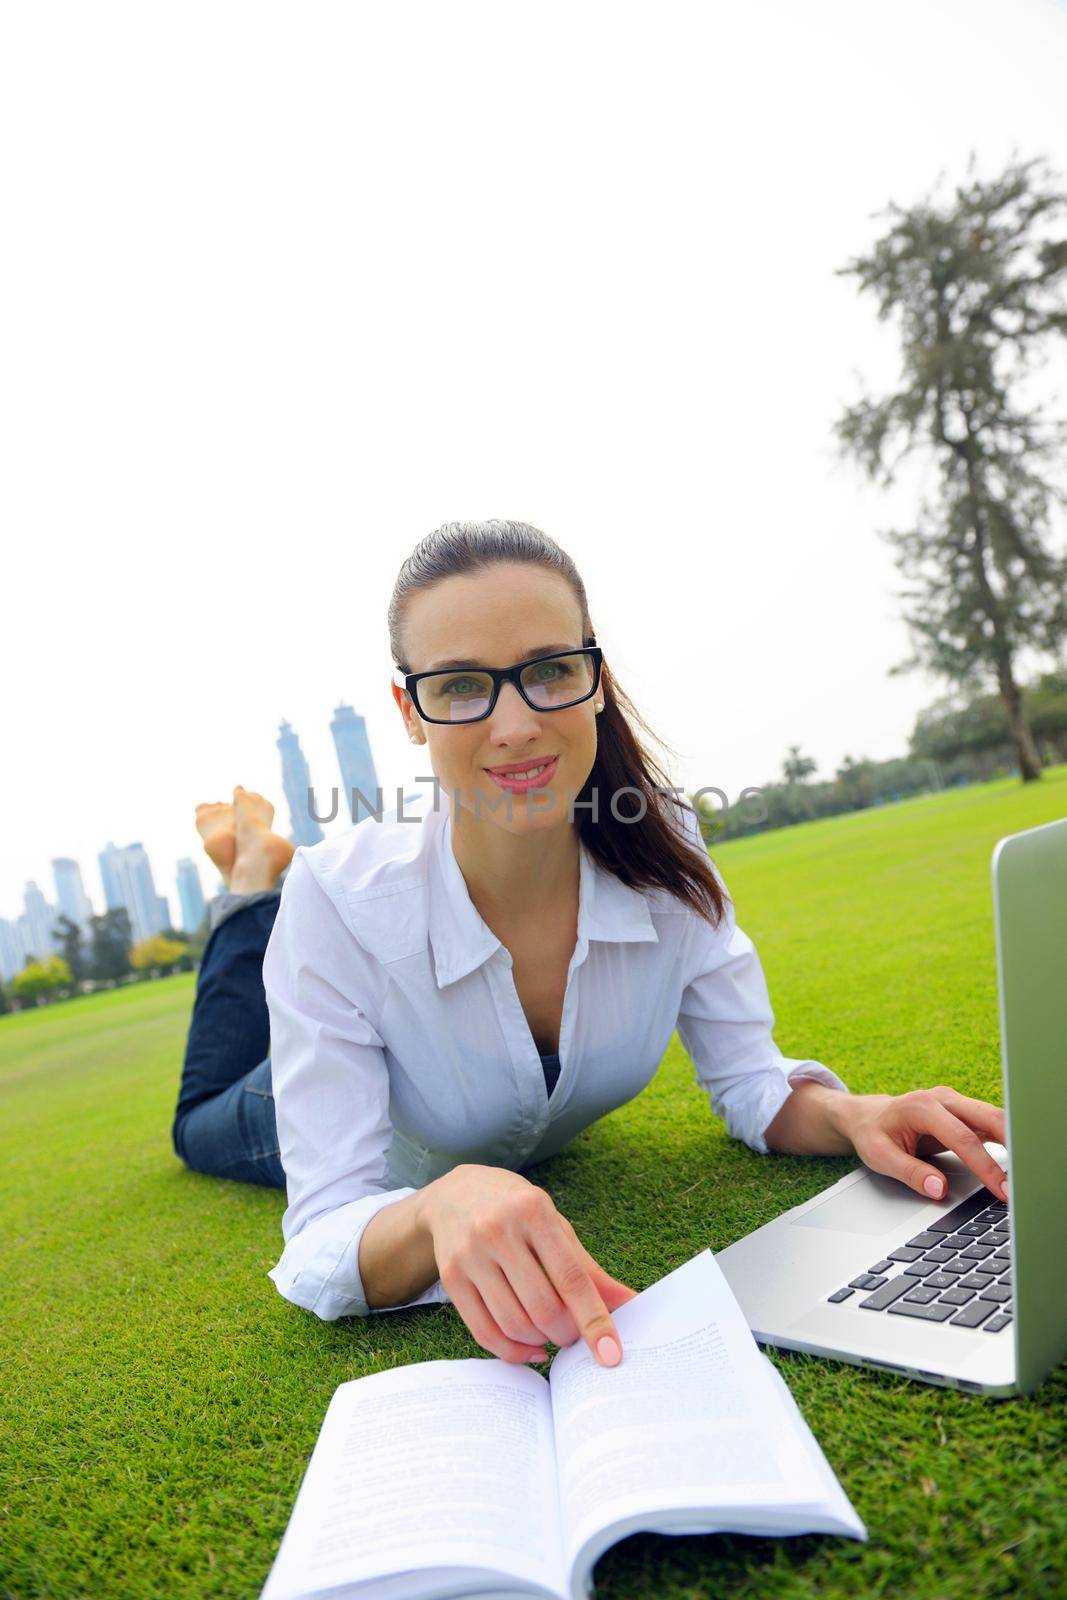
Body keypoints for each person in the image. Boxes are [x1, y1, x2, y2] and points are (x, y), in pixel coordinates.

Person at [171, 518, 1009, 1374]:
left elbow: (751, 1083)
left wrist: (852, 1112)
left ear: (595, 680)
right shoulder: (342, 900)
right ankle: (248, 882)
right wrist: (434, 1208)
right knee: (197, 1121)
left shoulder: (664, 850)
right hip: (302, 1108)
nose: (515, 724)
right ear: (409, 713)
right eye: (461, 686)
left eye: (547, 672)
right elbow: (322, 1232)